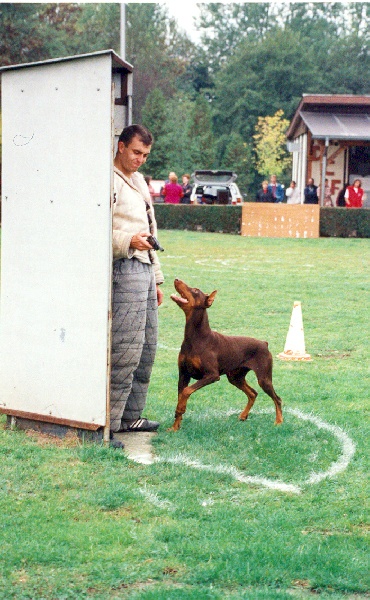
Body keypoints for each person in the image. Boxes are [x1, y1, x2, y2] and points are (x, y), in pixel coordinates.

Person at [110, 124, 164, 448]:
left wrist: (157, 279)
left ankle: (132, 415)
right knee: (125, 349)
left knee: (147, 347)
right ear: (121, 146)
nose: (140, 159)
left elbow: (150, 229)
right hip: (123, 266)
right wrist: (127, 241)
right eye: (135, 152)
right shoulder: (106, 179)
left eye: (145, 155)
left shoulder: (139, 180)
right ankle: (110, 425)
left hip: (144, 268)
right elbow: (94, 227)